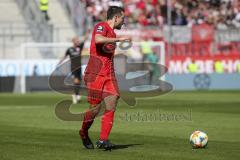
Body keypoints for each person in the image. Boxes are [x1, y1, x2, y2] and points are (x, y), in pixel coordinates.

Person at [79, 6, 131, 150]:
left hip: (109, 74)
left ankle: (103, 140)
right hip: (95, 74)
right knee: (95, 110)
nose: (123, 22)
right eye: (123, 19)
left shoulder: (113, 34)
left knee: (112, 101)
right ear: (116, 18)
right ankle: (83, 132)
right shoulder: (101, 26)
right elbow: (98, 39)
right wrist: (119, 39)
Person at [58, 34, 88, 104]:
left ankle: (76, 95)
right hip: (73, 67)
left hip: (79, 67)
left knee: (79, 82)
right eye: (76, 40)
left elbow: (85, 39)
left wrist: (88, 33)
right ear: (73, 41)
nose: (77, 41)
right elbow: (64, 57)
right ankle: (75, 95)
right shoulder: (69, 49)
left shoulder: (79, 47)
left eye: (78, 40)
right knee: (76, 81)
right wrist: (60, 62)